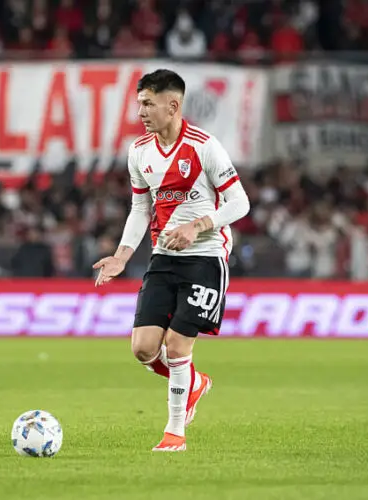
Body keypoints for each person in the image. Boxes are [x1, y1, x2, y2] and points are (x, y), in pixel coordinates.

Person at [92, 69, 251, 452]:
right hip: (163, 257)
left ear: (173, 105)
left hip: (206, 258)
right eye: (139, 103)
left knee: (178, 346)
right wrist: (121, 255)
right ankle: (193, 382)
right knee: (144, 349)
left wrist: (198, 226)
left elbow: (240, 203)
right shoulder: (139, 152)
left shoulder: (203, 147)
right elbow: (140, 207)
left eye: (148, 103)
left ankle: (175, 432)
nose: (141, 111)